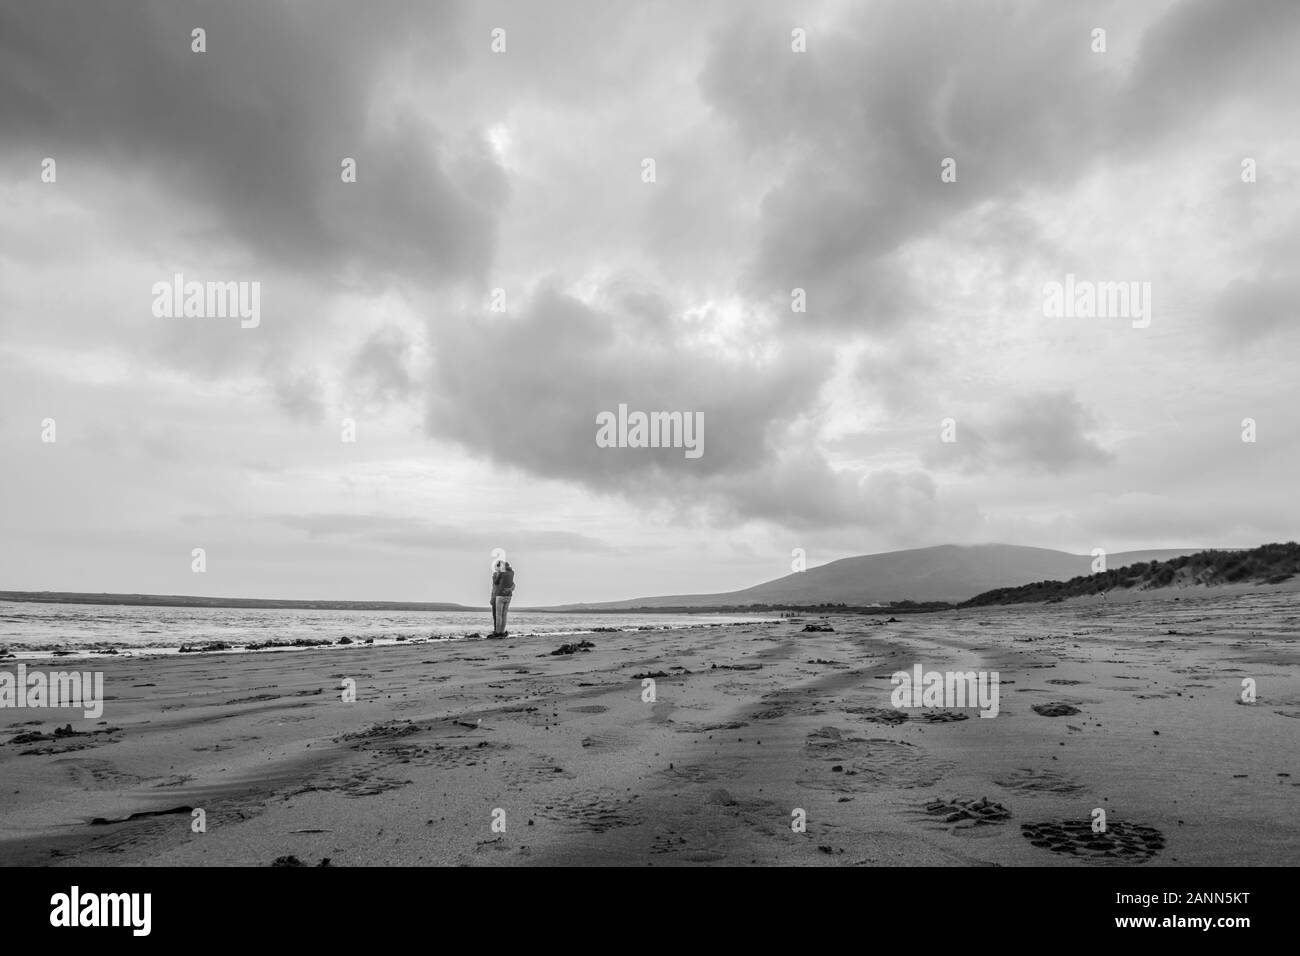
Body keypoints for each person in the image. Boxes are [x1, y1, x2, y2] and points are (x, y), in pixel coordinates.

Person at [490, 560, 515, 636]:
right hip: (505, 595)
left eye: (497, 567)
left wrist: (510, 588)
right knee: (501, 615)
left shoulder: (499, 574)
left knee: (498, 615)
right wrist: (510, 589)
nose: (496, 568)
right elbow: (513, 584)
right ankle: (500, 631)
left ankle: (498, 632)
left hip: (499, 595)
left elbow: (495, 583)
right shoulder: (511, 573)